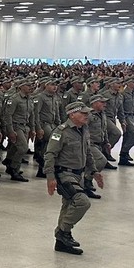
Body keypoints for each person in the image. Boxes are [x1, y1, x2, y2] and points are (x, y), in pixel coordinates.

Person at [45, 101, 102, 255]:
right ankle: (63, 232)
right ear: (72, 114)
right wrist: (50, 178)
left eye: (87, 113)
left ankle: (61, 243)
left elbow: (88, 152)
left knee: (68, 206)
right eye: (83, 113)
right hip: (65, 174)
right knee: (82, 202)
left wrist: (95, 171)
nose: (87, 116)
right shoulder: (61, 132)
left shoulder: (83, 129)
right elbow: (50, 155)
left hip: (79, 174)